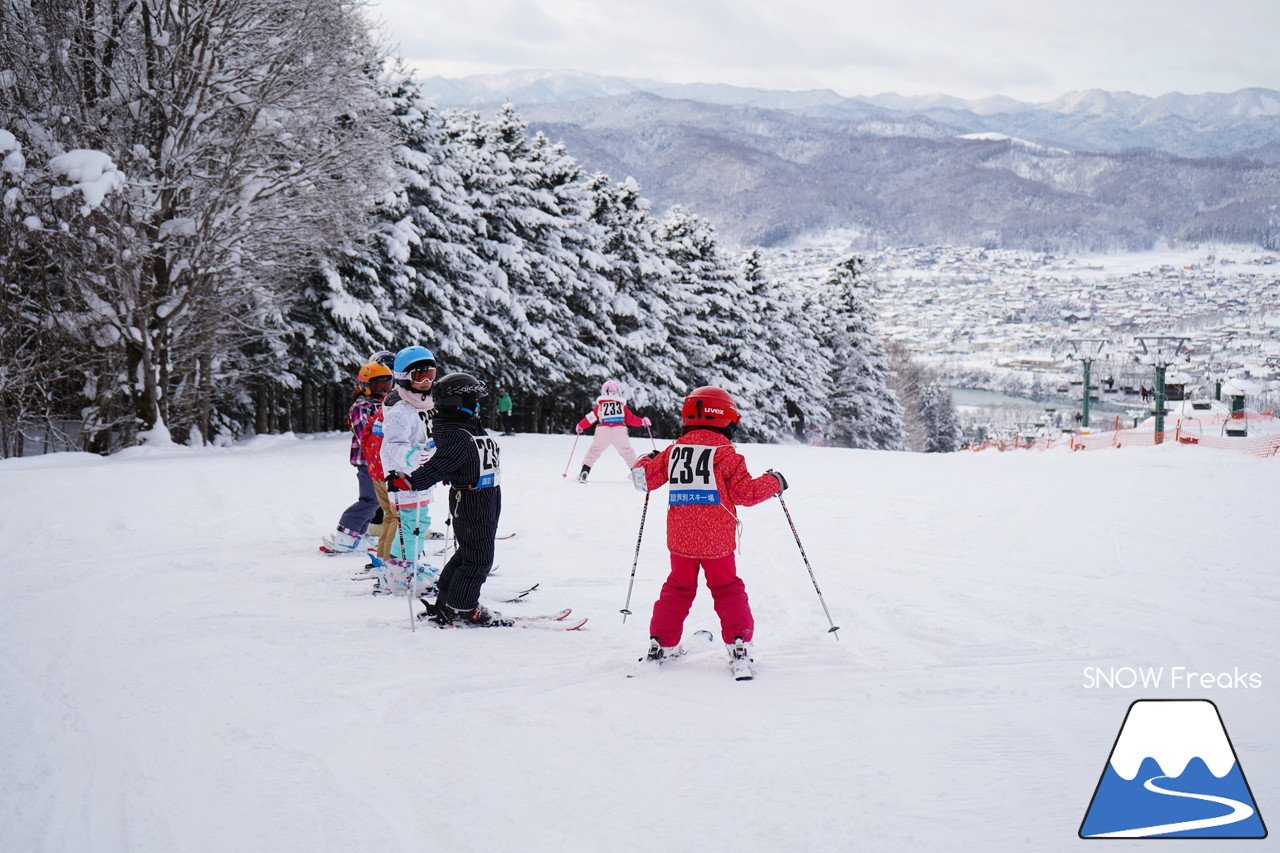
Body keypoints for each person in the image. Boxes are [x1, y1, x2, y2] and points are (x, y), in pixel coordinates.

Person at [632, 386, 786, 676]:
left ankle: (659, 644)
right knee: (727, 588)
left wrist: (646, 458)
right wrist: (774, 481)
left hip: (680, 539)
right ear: (724, 418)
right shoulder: (726, 454)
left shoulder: (674, 450)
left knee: (677, 588)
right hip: (717, 541)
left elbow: (643, 480)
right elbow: (747, 494)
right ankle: (738, 642)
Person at [408, 373, 506, 626]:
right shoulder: (456, 432)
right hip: (473, 498)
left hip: (486, 495)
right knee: (478, 557)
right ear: (457, 402)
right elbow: (439, 465)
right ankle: (463, 608)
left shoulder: (467, 425)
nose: (477, 404)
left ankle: (448, 601)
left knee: (471, 552)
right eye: (473, 398)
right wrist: (409, 481)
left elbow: (465, 457)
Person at [379, 345, 441, 596]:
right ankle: (401, 573)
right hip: (403, 476)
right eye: (419, 376)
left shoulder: (422, 405)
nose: (426, 381)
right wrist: (410, 456)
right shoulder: (401, 409)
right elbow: (392, 445)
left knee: (419, 521)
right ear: (403, 377)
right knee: (411, 524)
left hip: (420, 475)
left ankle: (409, 565)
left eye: (431, 374)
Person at [319, 361, 392, 555]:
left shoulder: (385, 405)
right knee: (371, 500)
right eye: (379, 385)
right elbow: (365, 437)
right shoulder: (361, 407)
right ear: (366, 386)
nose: (385, 389)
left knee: (375, 500)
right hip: (368, 460)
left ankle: (358, 534)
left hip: (380, 461)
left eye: (388, 384)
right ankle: (346, 535)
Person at [575, 380, 651, 482]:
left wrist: (581, 426)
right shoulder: (621, 407)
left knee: (594, 451)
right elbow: (631, 419)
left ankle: (584, 471)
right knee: (627, 452)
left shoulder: (601, 407)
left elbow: (590, 418)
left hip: (603, 431)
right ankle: (637, 475)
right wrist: (643, 422)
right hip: (619, 431)